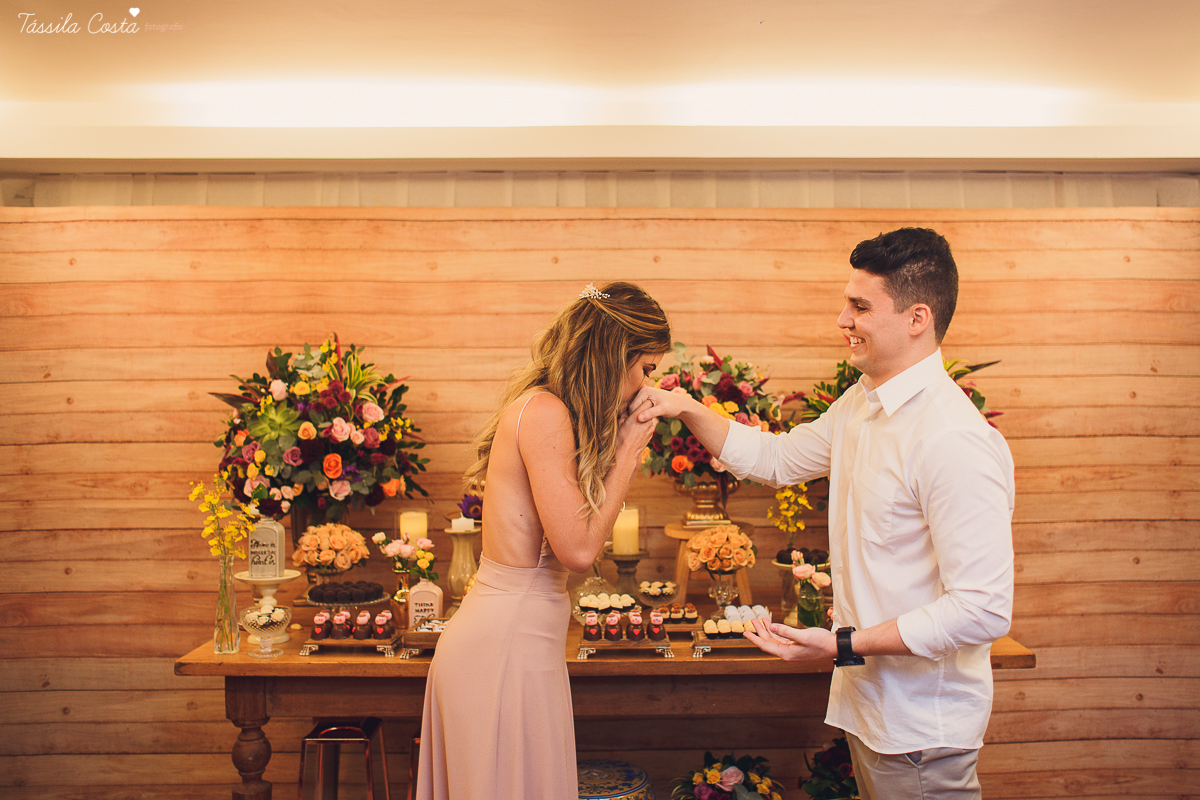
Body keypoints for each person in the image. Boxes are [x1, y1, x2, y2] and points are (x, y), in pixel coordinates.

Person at [634, 228, 1015, 800]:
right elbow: (781, 459)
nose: (842, 319)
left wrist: (843, 644)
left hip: (920, 729)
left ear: (917, 318)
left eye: (860, 306)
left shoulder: (953, 438)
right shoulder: (862, 400)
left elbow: (983, 609)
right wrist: (686, 407)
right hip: (872, 713)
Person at [416, 281, 670, 800]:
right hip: (504, 647)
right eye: (646, 369)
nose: (645, 386)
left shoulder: (547, 410)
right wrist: (627, 452)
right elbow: (578, 553)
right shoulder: (548, 414)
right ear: (612, 358)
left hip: (520, 642)